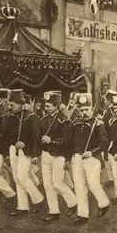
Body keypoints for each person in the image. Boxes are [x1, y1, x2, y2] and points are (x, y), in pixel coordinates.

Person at [69, 93, 110, 223]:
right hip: (77, 158)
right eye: (82, 110)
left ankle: (104, 203)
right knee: (80, 186)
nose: (84, 112)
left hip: (93, 158)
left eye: (87, 109)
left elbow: (104, 143)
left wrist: (92, 152)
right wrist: (71, 156)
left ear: (92, 110)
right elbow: (70, 142)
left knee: (93, 184)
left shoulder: (98, 124)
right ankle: (82, 214)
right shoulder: (75, 123)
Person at [40, 91, 77, 222]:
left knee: (57, 183)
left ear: (56, 106)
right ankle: (53, 211)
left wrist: (52, 141)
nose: (46, 107)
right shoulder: (44, 120)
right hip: (45, 155)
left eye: (49, 105)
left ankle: (73, 203)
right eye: (46, 105)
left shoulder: (64, 121)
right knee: (48, 185)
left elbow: (67, 140)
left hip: (59, 155)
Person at [7, 89, 44, 216]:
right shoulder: (11, 117)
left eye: (12, 105)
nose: (10, 107)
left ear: (21, 104)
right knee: (17, 178)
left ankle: (38, 200)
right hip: (13, 149)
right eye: (9, 104)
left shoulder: (32, 117)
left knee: (23, 176)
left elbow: (36, 137)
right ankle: (22, 207)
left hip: (25, 151)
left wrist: (27, 146)